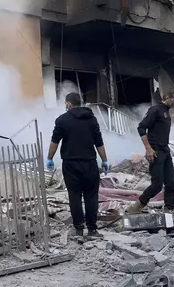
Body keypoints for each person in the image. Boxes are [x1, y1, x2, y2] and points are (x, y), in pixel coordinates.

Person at [47, 92, 110, 238]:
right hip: (90, 163)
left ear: (69, 104)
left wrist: (49, 158)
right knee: (91, 196)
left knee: (74, 195)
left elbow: (54, 142)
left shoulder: (62, 120)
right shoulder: (92, 119)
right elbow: (98, 142)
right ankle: (92, 230)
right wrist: (104, 160)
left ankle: (79, 229)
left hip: (70, 164)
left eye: (65, 104)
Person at [126, 91, 174, 214]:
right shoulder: (155, 110)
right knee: (157, 185)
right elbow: (141, 127)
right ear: (167, 97)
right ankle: (136, 207)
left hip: (165, 150)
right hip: (155, 151)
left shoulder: (167, 112)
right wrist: (148, 148)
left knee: (171, 183)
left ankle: (169, 210)